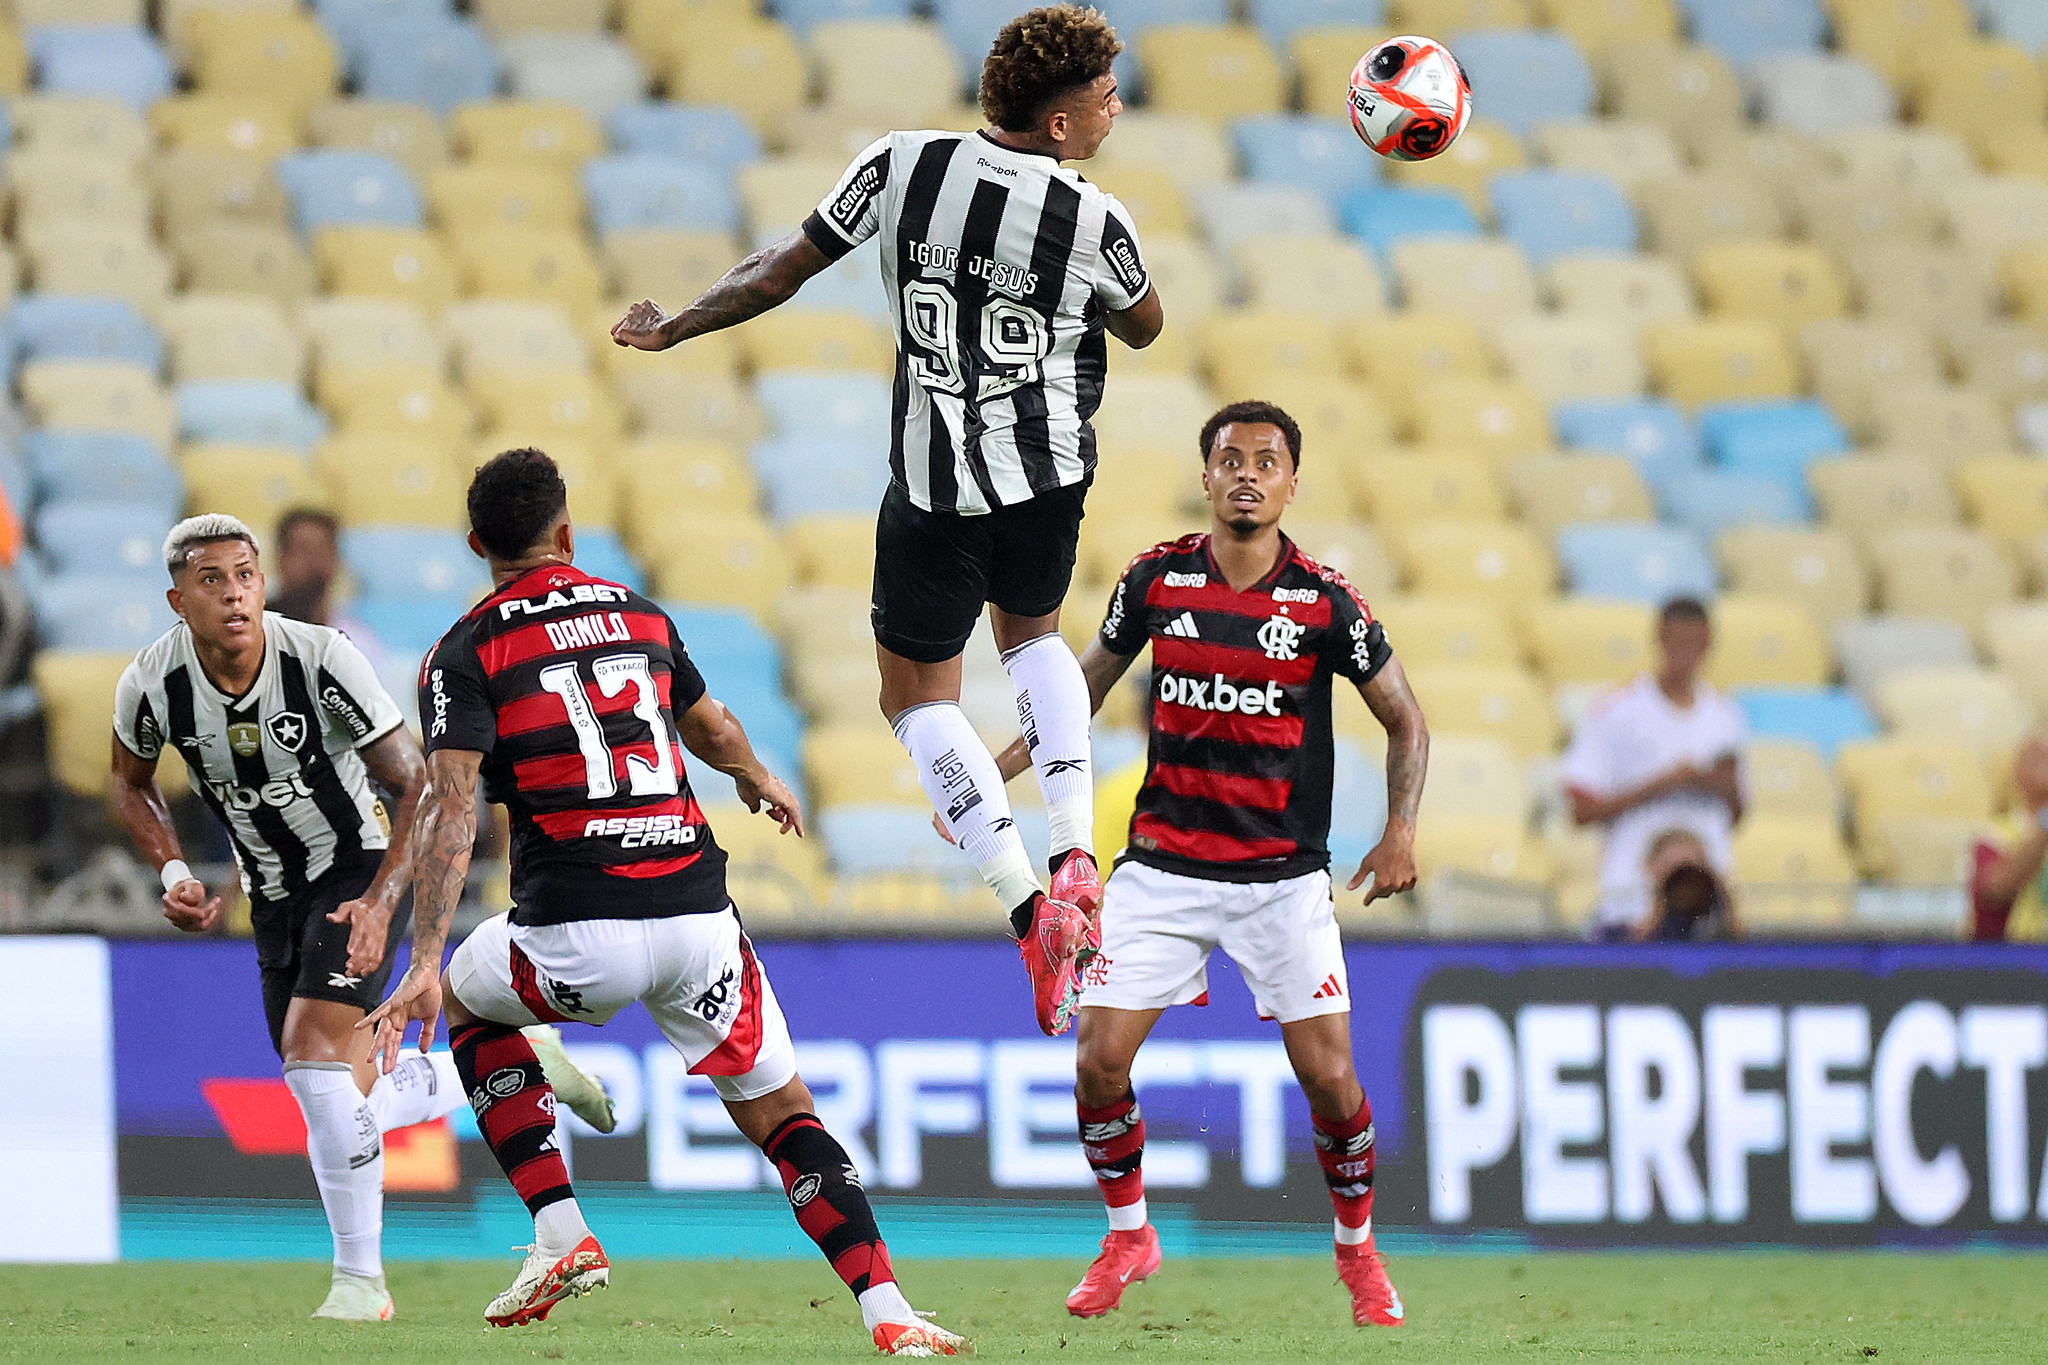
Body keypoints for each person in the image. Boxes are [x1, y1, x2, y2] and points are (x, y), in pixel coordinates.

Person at [611, 3, 1167, 1037]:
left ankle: (1024, 908)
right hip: (1044, 475)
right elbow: (1142, 326)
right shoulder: (1095, 220)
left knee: (916, 702)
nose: (1113, 111)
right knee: (1034, 635)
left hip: (928, 484)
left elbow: (781, 267)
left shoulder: (902, 165)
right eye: (1101, 99)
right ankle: (1075, 853)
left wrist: (680, 322)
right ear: (1056, 125)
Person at [363, 449, 966, 1355]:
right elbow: (711, 723)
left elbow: (451, 809)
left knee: (462, 995)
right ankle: (892, 1313)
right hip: (696, 919)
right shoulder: (637, 613)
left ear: (477, 543)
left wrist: (418, 961)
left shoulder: (465, 649)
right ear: (568, 533)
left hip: (573, 932)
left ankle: (560, 1233)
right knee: (784, 1112)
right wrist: (759, 777)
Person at [107, 513, 611, 1322]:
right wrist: (172, 868)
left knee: (312, 1061)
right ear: (179, 598)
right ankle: (527, 1062)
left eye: (245, 574)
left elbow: (421, 782)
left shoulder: (319, 659)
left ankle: (360, 1284)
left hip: (357, 870)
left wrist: (381, 904)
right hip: (270, 892)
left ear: (262, 583)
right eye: (212, 580)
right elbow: (129, 780)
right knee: (347, 1100)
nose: (234, 593)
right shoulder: (152, 684)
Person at [985, 402, 1426, 1326]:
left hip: (1283, 879)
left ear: (1291, 483)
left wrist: (1399, 833)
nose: (1247, 474)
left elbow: (1405, 717)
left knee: (1333, 1084)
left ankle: (1358, 1253)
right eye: (1231, 458)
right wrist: (1001, 765)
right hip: (1163, 869)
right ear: (1207, 473)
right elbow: (1081, 686)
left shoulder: (1324, 600)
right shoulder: (1157, 579)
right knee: (1098, 1056)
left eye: (1267, 461)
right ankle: (1128, 1235)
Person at [1560, 597, 1747, 941]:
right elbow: (1580, 807)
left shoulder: (1725, 716)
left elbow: (1736, 812)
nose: (1686, 653)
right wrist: (1662, 785)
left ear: (1709, 643)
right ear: (1659, 639)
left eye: (1695, 643)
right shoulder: (1618, 709)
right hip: (1632, 903)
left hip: (1708, 906)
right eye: (1677, 642)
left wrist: (1711, 782)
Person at [1971, 733, 2048, 941]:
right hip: (2021, 954)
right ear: (2019, 771)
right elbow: (1996, 891)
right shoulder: (1995, 833)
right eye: (2039, 756)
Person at [1633, 828, 1740, 941]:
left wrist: (1725, 903)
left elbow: (1740, 944)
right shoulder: (1625, 921)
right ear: (1651, 866)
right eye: (1673, 865)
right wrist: (1656, 914)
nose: (1683, 879)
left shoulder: (1715, 924)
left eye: (1694, 866)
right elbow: (1630, 949)